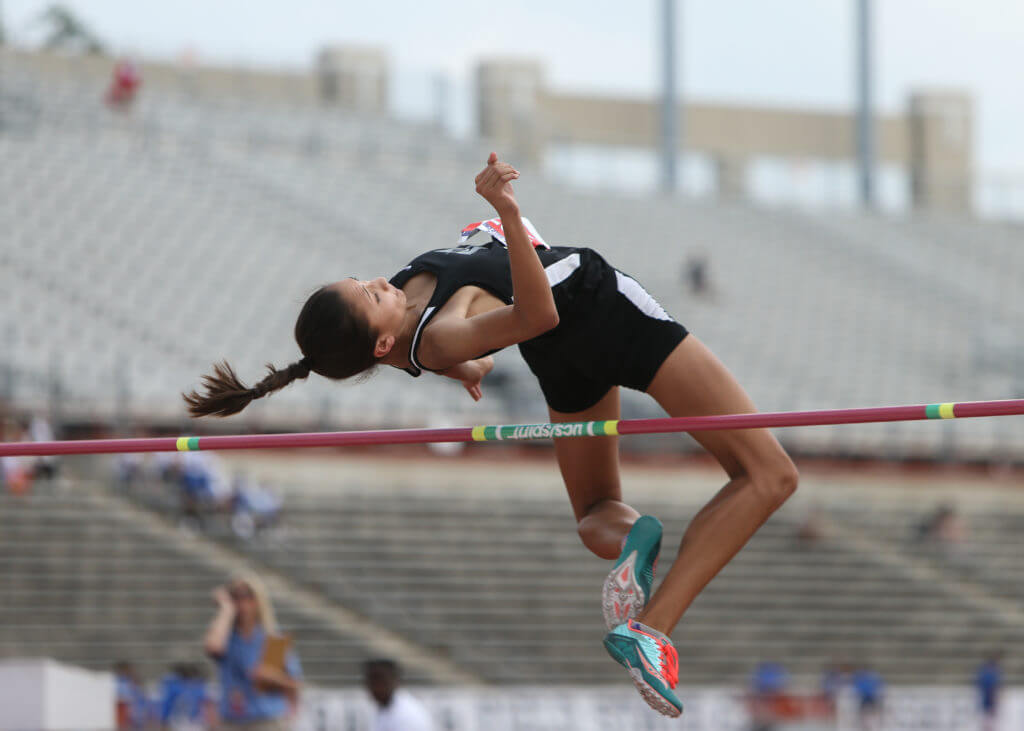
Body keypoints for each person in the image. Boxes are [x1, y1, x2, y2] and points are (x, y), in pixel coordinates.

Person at [184, 152, 799, 717]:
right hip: (602, 308)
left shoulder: (413, 331)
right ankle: (652, 628)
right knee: (769, 474)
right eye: (371, 294)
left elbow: (446, 348)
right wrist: (503, 209)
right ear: (379, 341)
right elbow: (534, 315)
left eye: (361, 278)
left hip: (561, 357)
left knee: (593, 511)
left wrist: (469, 368)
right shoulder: (433, 332)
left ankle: (636, 536)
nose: (379, 281)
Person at [203, 574, 302, 729]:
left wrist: (273, 677)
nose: (241, 602)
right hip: (231, 721)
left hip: (266, 720)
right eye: (234, 596)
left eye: (246, 595)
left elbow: (295, 686)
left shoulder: (272, 639)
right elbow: (212, 647)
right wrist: (226, 609)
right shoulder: (226, 637)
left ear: (257, 600)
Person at [363, 659, 433, 731]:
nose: (376, 687)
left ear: (394, 680)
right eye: (372, 682)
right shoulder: (384, 707)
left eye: (380, 681)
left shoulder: (406, 714)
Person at [975, 653, 1003, 731]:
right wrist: (994, 700)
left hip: (985, 699)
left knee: (986, 719)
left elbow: (978, 684)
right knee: (989, 719)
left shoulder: (983, 672)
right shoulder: (991, 674)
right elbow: (993, 688)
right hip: (989, 699)